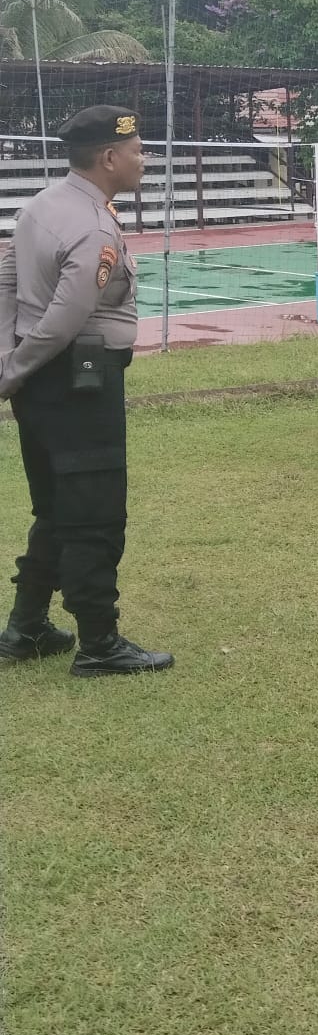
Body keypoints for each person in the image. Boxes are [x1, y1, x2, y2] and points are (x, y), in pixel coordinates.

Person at [0, 106, 172, 676]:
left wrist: (9, 360)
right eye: (138, 151)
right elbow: (64, 320)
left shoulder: (43, 205)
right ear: (109, 158)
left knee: (55, 509)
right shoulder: (93, 226)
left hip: (43, 386)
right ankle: (100, 643)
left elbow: (7, 278)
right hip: (77, 386)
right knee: (94, 514)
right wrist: (14, 369)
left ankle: (25, 629)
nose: (143, 159)